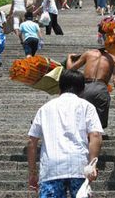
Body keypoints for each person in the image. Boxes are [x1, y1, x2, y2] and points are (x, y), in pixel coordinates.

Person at [28, 69, 103, 197]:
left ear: (60, 87)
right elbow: (95, 135)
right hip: (78, 166)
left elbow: (32, 141)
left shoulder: (45, 108)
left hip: (51, 168)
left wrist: (33, 172)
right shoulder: (87, 106)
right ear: (82, 89)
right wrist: (92, 164)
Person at [66, 48, 115, 128]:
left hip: (85, 88)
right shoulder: (114, 58)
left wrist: (69, 57)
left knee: (82, 118)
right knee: (99, 124)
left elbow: (70, 69)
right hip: (101, 89)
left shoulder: (88, 53)